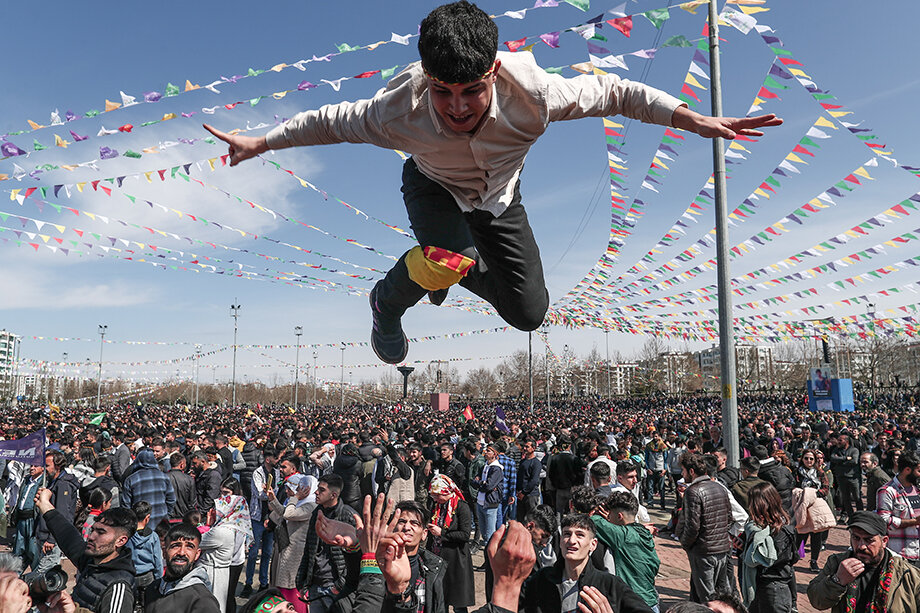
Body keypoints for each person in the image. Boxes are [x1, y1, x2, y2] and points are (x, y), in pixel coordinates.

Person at [204, 1, 780, 366]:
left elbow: (620, 92)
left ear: (494, 74)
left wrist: (694, 118)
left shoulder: (536, 93)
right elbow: (325, 121)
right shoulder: (395, 111)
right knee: (443, 258)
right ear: (427, 81)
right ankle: (388, 298)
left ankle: (448, 265)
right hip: (432, 186)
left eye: (470, 91)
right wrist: (261, 142)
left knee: (528, 314)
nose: (456, 107)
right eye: (442, 91)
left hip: (501, 199)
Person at [520, 513, 652, 613]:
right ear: (560, 541)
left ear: (593, 545)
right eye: (567, 534)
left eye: (580, 535)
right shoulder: (542, 579)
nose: (572, 540)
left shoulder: (609, 585)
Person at [34, 486, 136, 613]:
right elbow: (68, 537)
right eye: (93, 530)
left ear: (121, 541)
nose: (92, 536)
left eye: (101, 532)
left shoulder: (119, 586)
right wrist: (44, 505)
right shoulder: (93, 561)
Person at [807, 511, 920, 612]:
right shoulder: (838, 563)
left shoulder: (907, 574)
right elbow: (817, 601)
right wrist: (837, 581)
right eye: (856, 538)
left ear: (884, 541)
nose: (861, 546)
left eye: (868, 540)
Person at [295, 474, 360, 613]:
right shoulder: (316, 514)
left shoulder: (348, 516)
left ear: (333, 495)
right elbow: (309, 549)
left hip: (336, 588)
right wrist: (301, 582)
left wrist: (339, 585)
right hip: (314, 585)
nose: (316, 492)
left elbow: (356, 557)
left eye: (321, 490)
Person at [676, 453, 735, 604]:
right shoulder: (719, 487)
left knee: (708, 598)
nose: (682, 474)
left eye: (683, 470)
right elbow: (729, 518)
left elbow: (692, 526)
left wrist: (685, 543)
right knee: (722, 593)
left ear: (691, 471)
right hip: (721, 549)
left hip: (704, 551)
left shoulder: (693, 491)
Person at [591, 491, 661, 612]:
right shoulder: (643, 533)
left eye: (610, 515)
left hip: (635, 605)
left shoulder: (622, 536)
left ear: (619, 517)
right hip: (652, 602)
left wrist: (602, 517)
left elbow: (594, 521)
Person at [739, 483, 798, 613]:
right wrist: (742, 546)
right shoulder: (755, 527)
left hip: (774, 589)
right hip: (757, 586)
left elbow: (769, 559)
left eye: (752, 503)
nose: (750, 507)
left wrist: (750, 550)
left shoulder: (782, 530)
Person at [145, 522, 222, 613]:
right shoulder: (153, 589)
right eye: (175, 546)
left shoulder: (202, 600)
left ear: (197, 554)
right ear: (164, 552)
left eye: (189, 547)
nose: (181, 552)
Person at [267, 473, 316, 613]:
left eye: (302, 487)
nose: (299, 490)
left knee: (292, 587)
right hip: (287, 548)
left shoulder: (311, 505)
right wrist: (273, 499)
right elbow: (284, 512)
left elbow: (289, 514)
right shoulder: (301, 502)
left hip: (296, 552)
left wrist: (295, 497)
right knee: (283, 586)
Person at [427, 475, 475, 613]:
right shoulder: (437, 506)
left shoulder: (461, 506)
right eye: (433, 496)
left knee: (458, 601)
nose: (435, 499)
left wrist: (441, 533)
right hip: (438, 557)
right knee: (441, 599)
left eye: (437, 496)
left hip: (456, 559)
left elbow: (465, 535)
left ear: (446, 491)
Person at [199, 494, 253, 613]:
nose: (212, 511)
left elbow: (197, 541)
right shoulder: (237, 525)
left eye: (217, 509)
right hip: (226, 568)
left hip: (214, 572)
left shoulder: (221, 531)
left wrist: (207, 525)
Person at [243, 447, 278, 597]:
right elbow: (258, 494)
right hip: (257, 517)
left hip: (271, 517)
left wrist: (269, 492)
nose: (278, 462)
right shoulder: (257, 472)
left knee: (267, 553)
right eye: (276, 458)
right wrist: (269, 493)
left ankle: (263, 582)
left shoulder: (276, 473)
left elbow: (275, 492)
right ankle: (248, 583)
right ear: (268, 459)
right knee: (252, 552)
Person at [875, 450, 920, 565]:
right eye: (919, 471)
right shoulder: (887, 491)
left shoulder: (917, 489)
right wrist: (913, 522)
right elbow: (884, 520)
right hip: (902, 555)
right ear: (907, 470)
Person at [122, 448, 177, 530]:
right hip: (161, 525)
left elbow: (126, 506)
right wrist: (165, 514)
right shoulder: (164, 477)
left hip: (141, 526)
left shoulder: (131, 480)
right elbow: (171, 500)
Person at [127, 500, 164, 610]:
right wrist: (159, 578)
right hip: (147, 576)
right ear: (147, 518)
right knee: (147, 604)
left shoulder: (127, 535)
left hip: (131, 575)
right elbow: (158, 560)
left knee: (131, 604)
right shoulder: (153, 537)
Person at [471, 442, 503, 551]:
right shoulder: (485, 465)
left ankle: (490, 560)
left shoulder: (496, 468)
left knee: (490, 535)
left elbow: (489, 485)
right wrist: (481, 483)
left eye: (489, 451)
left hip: (490, 504)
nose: (486, 452)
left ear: (495, 454)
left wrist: (481, 483)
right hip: (481, 502)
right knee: (484, 534)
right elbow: (475, 480)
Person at [829, 434, 862, 521]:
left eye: (840, 440)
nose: (838, 442)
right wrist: (846, 458)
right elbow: (832, 458)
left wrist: (840, 461)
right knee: (845, 499)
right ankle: (851, 518)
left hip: (853, 478)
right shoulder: (836, 449)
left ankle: (861, 517)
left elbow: (854, 461)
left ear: (846, 441)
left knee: (857, 498)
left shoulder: (854, 450)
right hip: (841, 477)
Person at [517, 439, 542, 521]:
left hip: (531, 495)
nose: (525, 448)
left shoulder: (536, 463)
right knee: (520, 519)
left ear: (533, 448)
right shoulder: (523, 461)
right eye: (524, 446)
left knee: (531, 519)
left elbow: (533, 480)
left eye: (527, 447)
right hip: (520, 494)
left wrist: (524, 492)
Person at [167, 452, 197, 521]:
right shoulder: (189, 479)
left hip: (168, 518)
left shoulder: (163, 478)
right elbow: (192, 502)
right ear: (182, 465)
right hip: (184, 518)